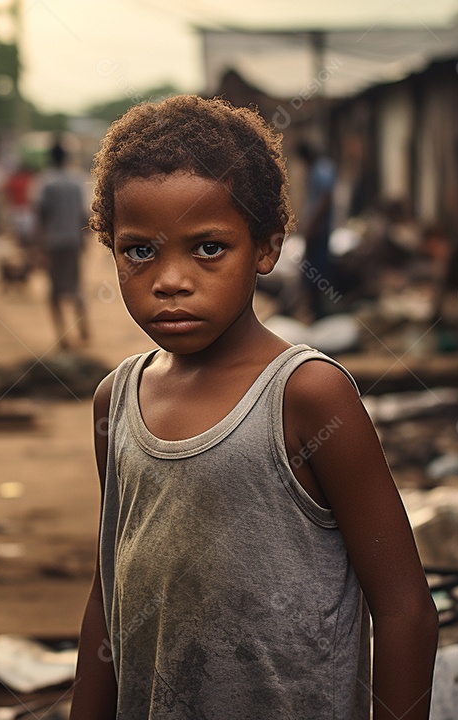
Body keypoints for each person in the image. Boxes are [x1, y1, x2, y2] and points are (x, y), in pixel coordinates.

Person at [70, 95, 437, 720]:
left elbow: (406, 611)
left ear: (266, 249)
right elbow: (110, 597)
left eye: (208, 248)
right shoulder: (117, 402)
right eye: (140, 251)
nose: (171, 279)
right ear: (111, 249)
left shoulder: (305, 396)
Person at [37, 143, 89, 348]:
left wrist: (38, 246)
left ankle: (62, 335)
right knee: (75, 285)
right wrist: (83, 240)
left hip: (54, 242)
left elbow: (42, 215)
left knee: (54, 290)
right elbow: (83, 215)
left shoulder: (46, 182)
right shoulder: (76, 181)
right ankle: (83, 328)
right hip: (73, 240)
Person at [295, 139, 337, 319]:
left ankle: (320, 307)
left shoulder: (322, 169)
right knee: (311, 266)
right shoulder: (316, 170)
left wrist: (312, 224)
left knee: (317, 267)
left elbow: (325, 199)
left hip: (319, 229)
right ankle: (314, 306)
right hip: (316, 226)